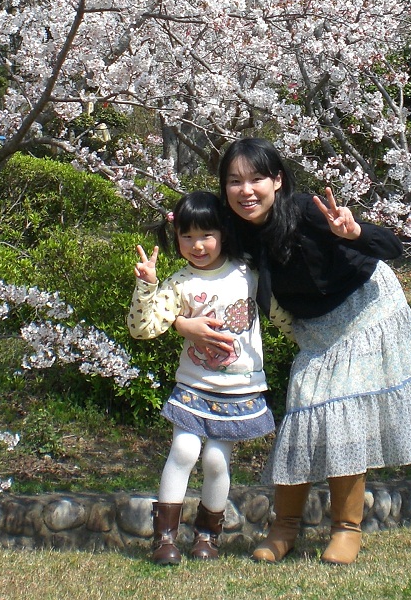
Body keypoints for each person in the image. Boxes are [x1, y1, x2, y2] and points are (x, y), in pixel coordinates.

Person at [206, 137, 411, 565]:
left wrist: (354, 231)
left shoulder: (307, 211)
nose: (246, 190)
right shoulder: (235, 229)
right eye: (234, 181)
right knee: (302, 411)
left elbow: (393, 248)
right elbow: (195, 243)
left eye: (257, 178)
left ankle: (346, 529)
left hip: (365, 309)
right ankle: (284, 528)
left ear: (277, 180)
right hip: (315, 330)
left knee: (340, 417)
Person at [127, 190, 293, 565]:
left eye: (207, 235)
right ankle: (165, 539)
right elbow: (143, 329)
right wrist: (148, 286)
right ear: (176, 237)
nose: (197, 245)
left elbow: (278, 312)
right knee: (184, 450)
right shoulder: (179, 282)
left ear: (224, 232)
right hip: (194, 386)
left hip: (240, 388)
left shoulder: (244, 272)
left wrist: (308, 339)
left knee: (217, 461)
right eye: (187, 236)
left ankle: (207, 537)